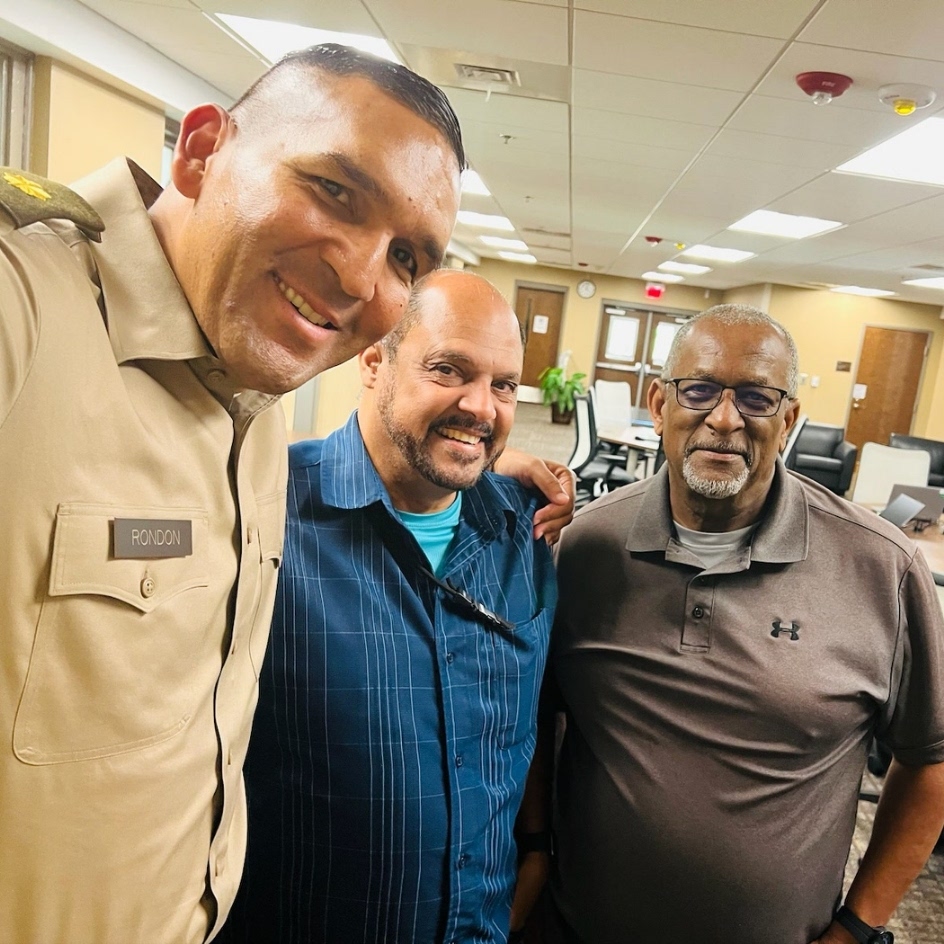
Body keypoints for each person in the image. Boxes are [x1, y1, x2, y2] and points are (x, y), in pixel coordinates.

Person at [0, 46, 572, 944]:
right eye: (335, 190)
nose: (357, 274)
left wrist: (465, 456)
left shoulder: (253, 404)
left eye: (407, 255)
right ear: (200, 151)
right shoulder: (23, 303)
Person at [547, 304, 944, 944]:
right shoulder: (585, 548)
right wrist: (536, 852)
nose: (725, 419)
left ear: (787, 421)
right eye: (698, 389)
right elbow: (533, 721)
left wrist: (857, 927)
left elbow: (931, 759)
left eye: (756, 398)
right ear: (660, 403)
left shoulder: (883, 568)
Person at [222, 269, 557, 944]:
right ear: (373, 362)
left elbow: (536, 718)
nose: (482, 408)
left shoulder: (530, 531)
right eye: (448, 370)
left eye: (503, 385)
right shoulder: (264, 510)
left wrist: (538, 853)